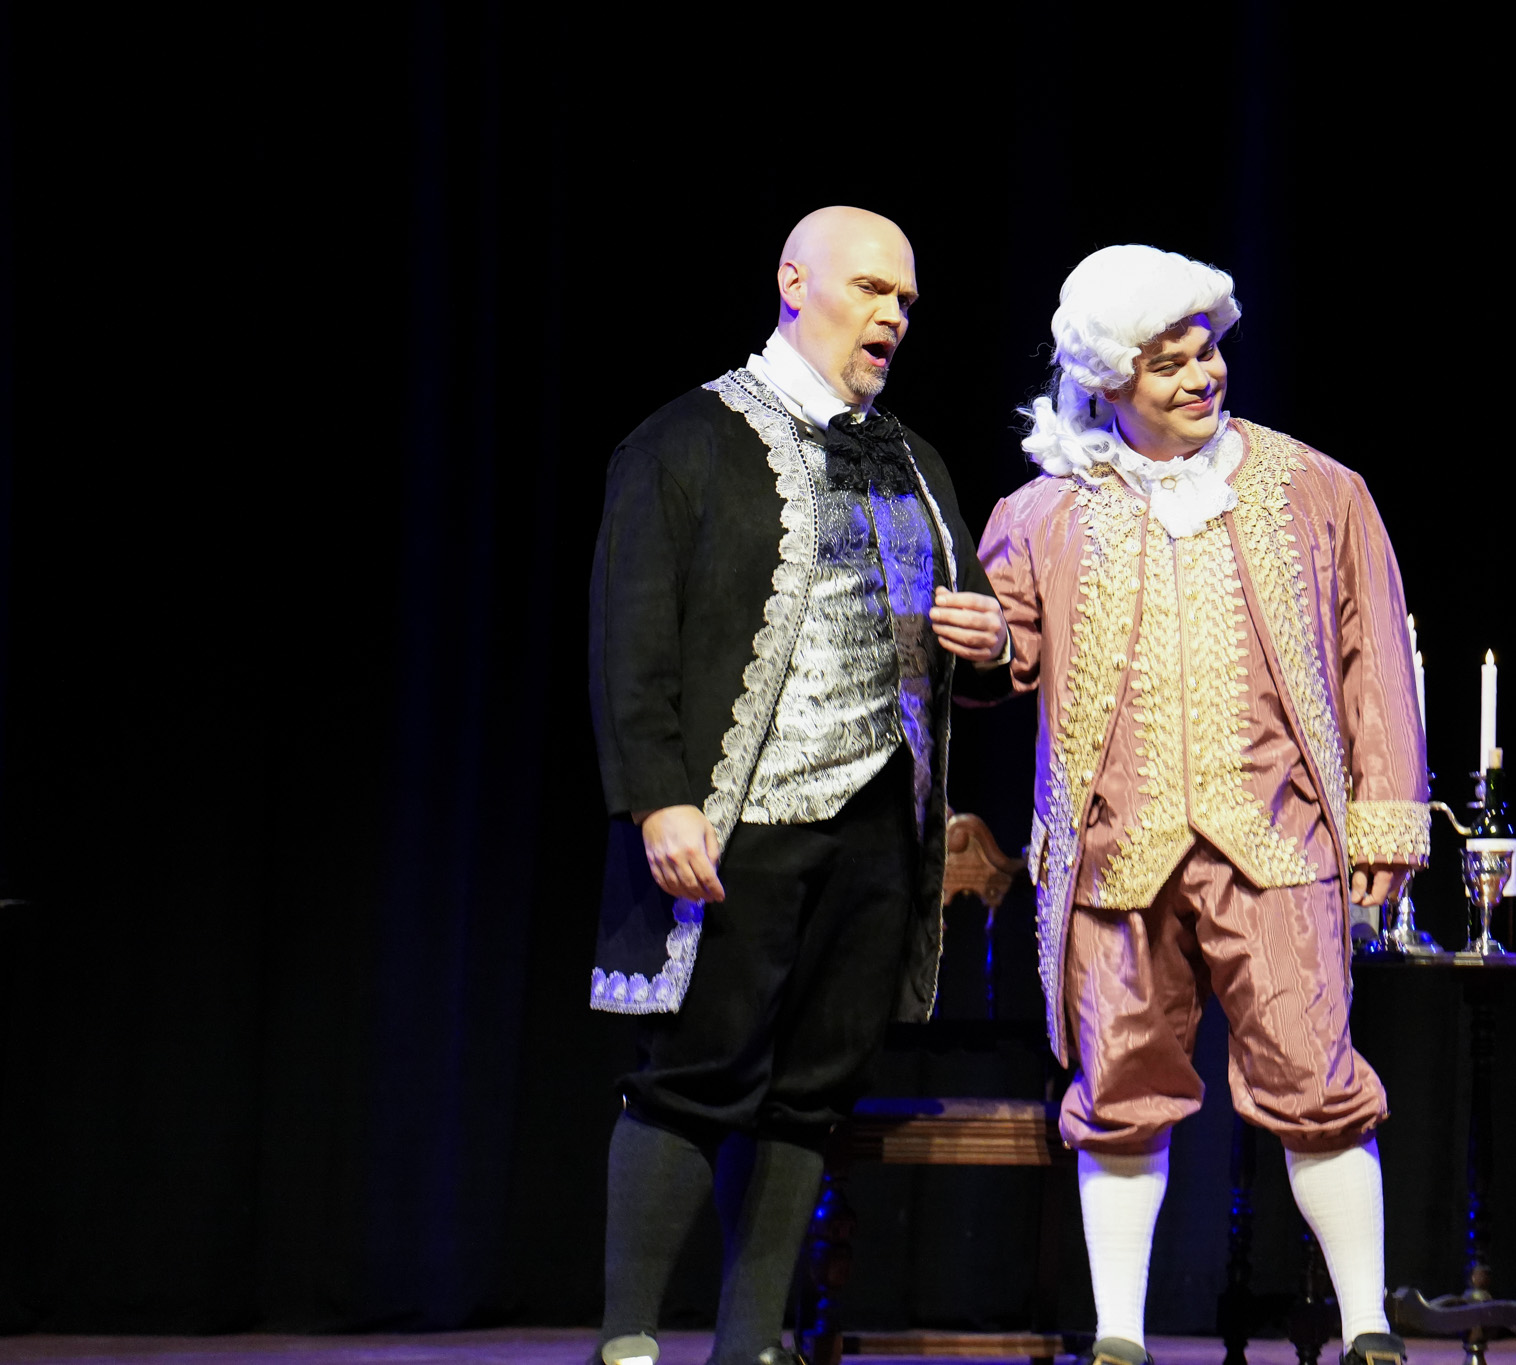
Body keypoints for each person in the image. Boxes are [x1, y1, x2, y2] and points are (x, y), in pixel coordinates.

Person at [973, 245, 1428, 1365]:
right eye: (1167, 362)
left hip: (1276, 837)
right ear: (1108, 380)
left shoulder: (1316, 490)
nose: (1200, 375)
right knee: (1119, 1081)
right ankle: (1119, 1336)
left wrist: (1385, 818)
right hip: (1115, 850)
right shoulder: (1042, 513)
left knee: (1316, 1076)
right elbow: (1004, 658)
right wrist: (980, 639)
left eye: (1207, 349)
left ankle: (1367, 1325)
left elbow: (1375, 659)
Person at [585, 206, 1010, 1365]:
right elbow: (631, 639)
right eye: (870, 289)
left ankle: (748, 1346)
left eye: (906, 301)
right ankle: (627, 1339)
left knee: (810, 1090)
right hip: (741, 818)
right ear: (792, 282)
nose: (892, 316)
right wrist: (659, 797)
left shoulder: (912, 459)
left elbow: (968, 642)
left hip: (879, 827)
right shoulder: (684, 440)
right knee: (695, 1071)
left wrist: (986, 645)